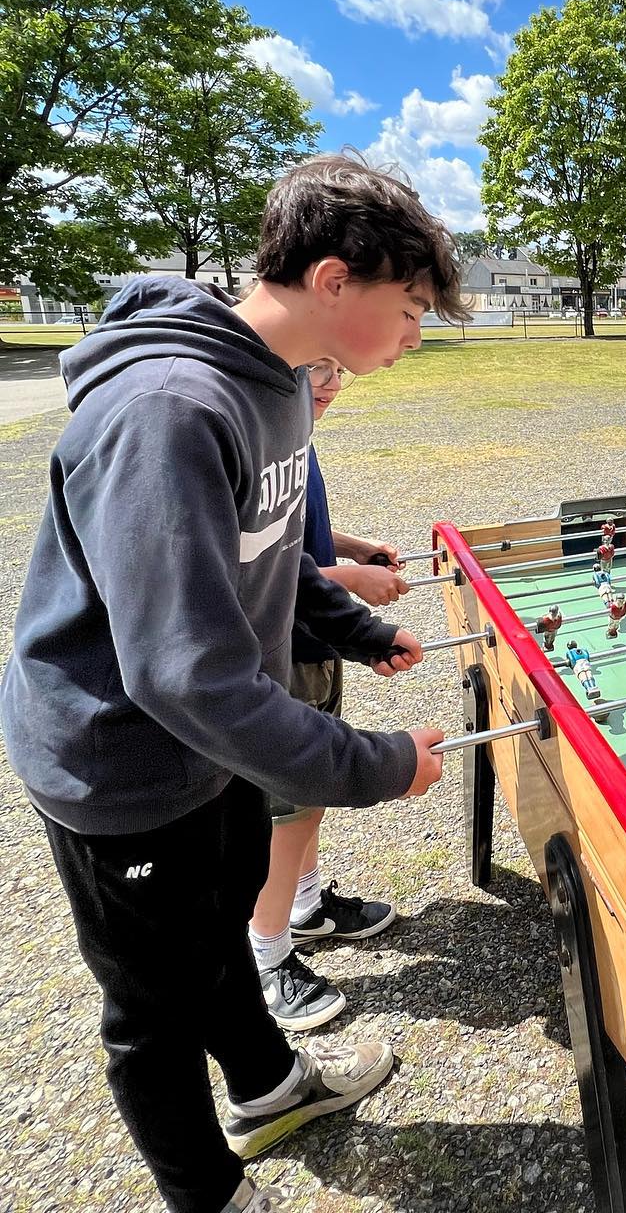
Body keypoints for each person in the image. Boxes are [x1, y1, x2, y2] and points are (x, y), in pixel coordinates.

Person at [0, 153, 468, 1213]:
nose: (412, 335)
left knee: (219, 939)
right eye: (407, 308)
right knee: (153, 1006)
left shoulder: (276, 392)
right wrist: (378, 765)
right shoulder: (168, 407)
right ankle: (207, 1192)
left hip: (215, 756)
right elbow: (184, 674)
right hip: (120, 761)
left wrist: (352, 627)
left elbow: (264, 556)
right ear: (336, 280)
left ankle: (267, 1088)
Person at [250, 358, 413, 1032]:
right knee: (284, 815)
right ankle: (267, 960)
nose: (331, 382)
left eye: (338, 370)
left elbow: (299, 539)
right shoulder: (258, 435)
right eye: (314, 367)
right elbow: (259, 561)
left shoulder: (295, 438)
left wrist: (354, 546)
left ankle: (306, 910)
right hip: (281, 653)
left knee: (307, 803)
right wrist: (347, 577)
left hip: (316, 647)